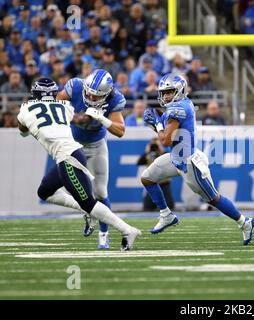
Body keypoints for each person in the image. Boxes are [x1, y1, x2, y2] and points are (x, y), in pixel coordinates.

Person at [17, 78, 140, 250]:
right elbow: (80, 120)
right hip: (71, 154)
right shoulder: (64, 107)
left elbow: (22, 131)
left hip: (69, 157)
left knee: (90, 201)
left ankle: (128, 230)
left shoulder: (25, 109)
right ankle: (86, 212)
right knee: (45, 191)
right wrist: (92, 115)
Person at [140, 73, 254, 245]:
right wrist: (158, 122)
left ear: (179, 90)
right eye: (164, 92)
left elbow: (165, 140)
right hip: (176, 157)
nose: (165, 96)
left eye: (169, 92)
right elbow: (169, 135)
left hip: (189, 162)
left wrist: (156, 124)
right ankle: (166, 215)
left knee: (213, 198)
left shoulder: (177, 109)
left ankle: (245, 222)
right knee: (147, 178)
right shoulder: (180, 104)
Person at [56, 69, 127, 249]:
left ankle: (104, 234)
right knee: (70, 188)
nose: (89, 97)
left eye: (95, 96)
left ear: (106, 94)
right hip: (72, 144)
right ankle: (88, 212)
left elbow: (120, 131)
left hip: (96, 146)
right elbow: (58, 100)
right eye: (88, 93)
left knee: (101, 192)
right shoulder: (76, 86)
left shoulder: (115, 99)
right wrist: (70, 115)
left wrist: (102, 119)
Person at [137, 137, 174, 211]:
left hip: (164, 184)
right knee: (147, 207)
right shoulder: (148, 155)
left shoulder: (164, 154)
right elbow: (139, 162)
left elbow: (170, 160)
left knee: (169, 206)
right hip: (152, 183)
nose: (154, 147)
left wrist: (160, 150)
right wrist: (147, 152)